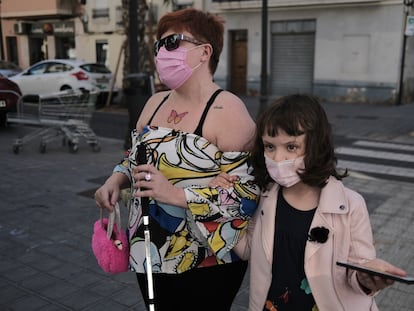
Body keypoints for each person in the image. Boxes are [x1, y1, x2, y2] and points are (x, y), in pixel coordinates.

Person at [94, 8, 259, 311]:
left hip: (204, 260)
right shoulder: (155, 102)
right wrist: (115, 180)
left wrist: (176, 195)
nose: (161, 53)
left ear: (204, 51)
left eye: (173, 43)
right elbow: (134, 157)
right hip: (148, 251)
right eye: (159, 45)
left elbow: (245, 197)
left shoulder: (228, 110)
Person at [222, 94, 406, 310]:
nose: (278, 158)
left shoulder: (351, 205)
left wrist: (368, 277)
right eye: (269, 147)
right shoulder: (264, 196)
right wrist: (223, 202)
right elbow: (247, 250)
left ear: (316, 146)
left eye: (291, 147)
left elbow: (358, 269)